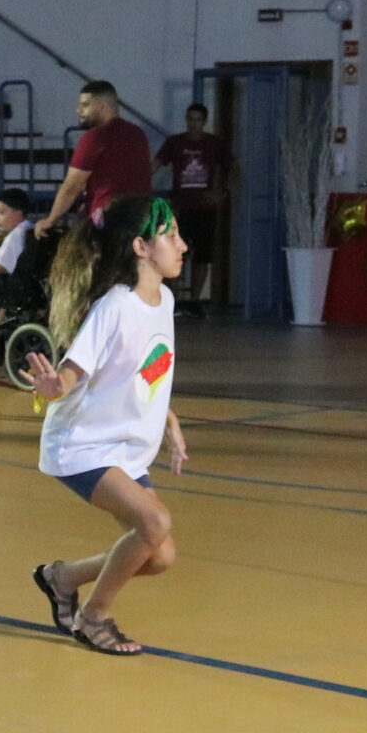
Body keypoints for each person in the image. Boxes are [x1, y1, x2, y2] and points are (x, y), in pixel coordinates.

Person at [29, 196, 187, 656]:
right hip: (82, 445)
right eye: (171, 236)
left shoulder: (164, 300)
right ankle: (94, 617)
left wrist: (169, 419)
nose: (182, 245)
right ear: (141, 247)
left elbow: (145, 371)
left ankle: (62, 578)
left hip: (125, 448)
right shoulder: (115, 306)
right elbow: (71, 374)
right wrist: (53, 386)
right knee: (154, 521)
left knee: (160, 555)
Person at [42, 80, 152, 231]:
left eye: (85, 105)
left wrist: (50, 220)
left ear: (102, 105)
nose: (78, 110)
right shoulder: (138, 134)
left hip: (107, 221)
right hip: (140, 220)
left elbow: (72, 186)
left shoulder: (95, 137)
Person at [155, 102, 231, 313]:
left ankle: (195, 300)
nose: (193, 124)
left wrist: (222, 192)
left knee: (202, 256)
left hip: (204, 208)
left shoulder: (214, 143)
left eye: (197, 120)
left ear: (204, 121)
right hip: (180, 207)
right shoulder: (175, 142)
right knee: (173, 253)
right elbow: (156, 164)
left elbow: (232, 167)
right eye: (190, 119)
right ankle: (173, 299)